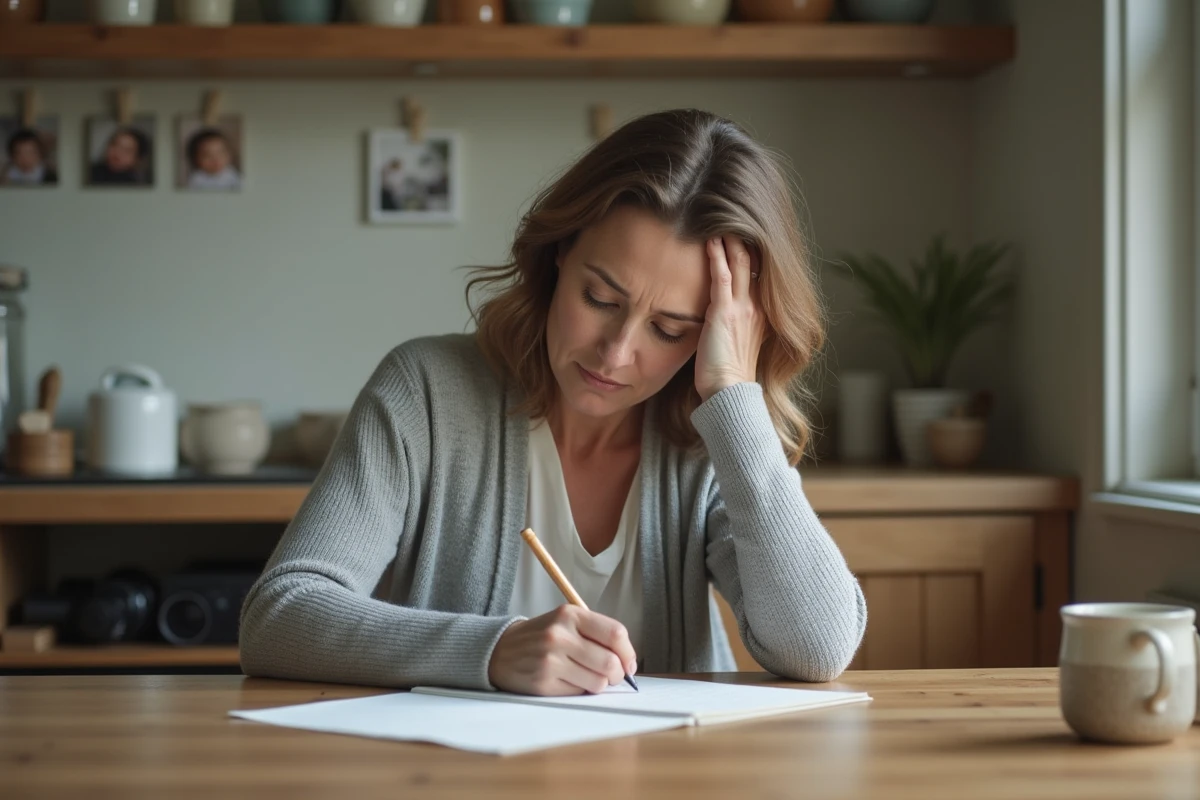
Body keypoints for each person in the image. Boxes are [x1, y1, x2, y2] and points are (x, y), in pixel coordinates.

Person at [239, 108, 867, 696]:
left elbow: (817, 649)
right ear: (558, 253)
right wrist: (491, 651)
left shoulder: (714, 441)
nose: (616, 353)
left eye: (670, 330)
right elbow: (280, 616)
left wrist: (734, 399)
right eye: (600, 299)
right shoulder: (427, 392)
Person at [184, 127, 242, 191]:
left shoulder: (233, 176)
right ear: (195, 159)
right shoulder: (196, 179)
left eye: (221, 153)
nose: (216, 159)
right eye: (208, 156)